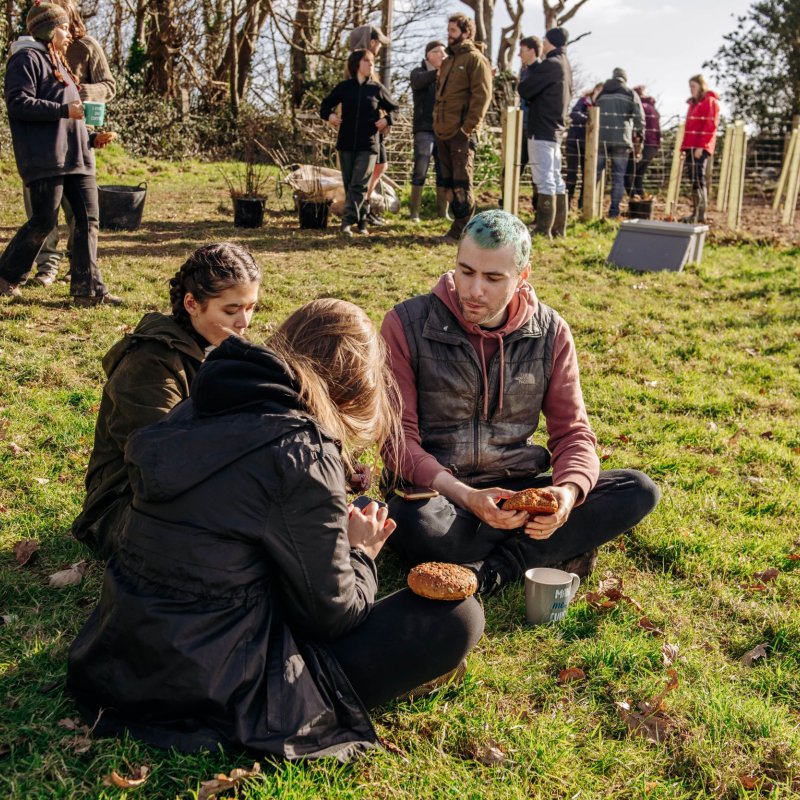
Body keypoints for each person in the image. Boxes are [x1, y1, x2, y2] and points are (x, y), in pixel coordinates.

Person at [67, 299, 485, 760]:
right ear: (352, 386)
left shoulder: (195, 407)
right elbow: (331, 615)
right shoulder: (301, 450)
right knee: (457, 617)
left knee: (361, 514)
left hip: (121, 660)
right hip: (213, 688)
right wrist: (361, 554)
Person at [380, 209, 660, 595]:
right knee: (411, 523)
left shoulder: (551, 332)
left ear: (522, 276)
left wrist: (567, 494)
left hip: (518, 491)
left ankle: (492, 568)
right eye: (465, 271)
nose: (474, 289)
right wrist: (467, 496)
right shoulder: (405, 324)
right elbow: (398, 442)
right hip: (440, 495)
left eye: (493, 278)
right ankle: (540, 551)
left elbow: (574, 434)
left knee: (637, 490)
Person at [70, 243, 261, 559]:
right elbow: (161, 458)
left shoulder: (230, 348)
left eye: (251, 307)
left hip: (195, 490)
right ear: (192, 303)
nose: (244, 322)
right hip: (124, 508)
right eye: (231, 310)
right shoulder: (149, 363)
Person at [0, 2, 119, 303]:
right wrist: (65, 109)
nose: (70, 33)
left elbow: (71, 117)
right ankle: (5, 277)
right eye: (64, 27)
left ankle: (89, 290)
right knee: (43, 221)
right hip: (46, 157)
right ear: (48, 29)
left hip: (77, 156)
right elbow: (18, 102)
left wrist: (92, 137)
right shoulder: (25, 58)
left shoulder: (59, 61)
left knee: (88, 220)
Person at [321, 49, 399, 237]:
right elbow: (325, 105)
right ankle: (362, 221)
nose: (371, 64)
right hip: (346, 143)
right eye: (367, 60)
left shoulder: (377, 89)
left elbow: (395, 109)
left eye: (372, 61)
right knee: (350, 185)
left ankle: (347, 223)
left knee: (359, 184)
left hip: (369, 145)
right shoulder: (344, 87)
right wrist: (330, 115)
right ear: (357, 64)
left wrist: (387, 120)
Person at [433, 13, 493, 245]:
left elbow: (482, 97)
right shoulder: (449, 61)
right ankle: (459, 228)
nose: (449, 35)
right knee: (447, 184)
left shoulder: (475, 60)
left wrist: (467, 129)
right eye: (448, 30)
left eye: (454, 31)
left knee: (462, 184)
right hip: (442, 131)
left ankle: (462, 233)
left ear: (466, 32)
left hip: (460, 134)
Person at [518, 27, 573, 238]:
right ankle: (559, 228)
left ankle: (543, 229)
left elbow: (525, 89)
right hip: (556, 127)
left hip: (541, 127)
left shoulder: (550, 64)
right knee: (556, 177)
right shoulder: (565, 65)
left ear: (548, 41)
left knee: (544, 178)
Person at [347, 25, 391, 226]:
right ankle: (361, 209)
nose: (380, 46)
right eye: (379, 42)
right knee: (368, 170)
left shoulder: (367, 64)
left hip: (374, 127)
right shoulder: (357, 65)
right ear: (372, 42)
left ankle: (364, 205)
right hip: (365, 130)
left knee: (380, 165)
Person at [595, 67, 645, 219]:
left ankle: (587, 207)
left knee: (595, 175)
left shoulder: (602, 93)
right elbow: (639, 117)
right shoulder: (630, 93)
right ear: (625, 78)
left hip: (601, 138)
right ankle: (614, 212)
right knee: (618, 177)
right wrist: (639, 136)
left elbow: (593, 110)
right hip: (621, 140)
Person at [409, 40, 448, 222]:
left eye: (444, 52)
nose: (442, 55)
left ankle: (442, 212)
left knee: (443, 169)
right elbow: (418, 83)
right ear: (428, 55)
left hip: (443, 129)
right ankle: (414, 212)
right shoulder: (418, 72)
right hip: (424, 128)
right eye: (438, 52)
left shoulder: (448, 76)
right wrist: (437, 74)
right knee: (420, 167)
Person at [680, 74, 720, 223]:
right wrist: (684, 149)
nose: (691, 89)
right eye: (690, 86)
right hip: (690, 146)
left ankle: (700, 213)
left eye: (693, 86)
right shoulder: (692, 104)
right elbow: (689, 128)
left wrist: (701, 147)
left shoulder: (709, 102)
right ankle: (696, 212)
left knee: (698, 178)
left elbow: (710, 126)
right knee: (693, 178)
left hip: (699, 147)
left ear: (701, 86)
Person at [565, 83, 603, 210]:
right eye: (599, 91)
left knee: (587, 175)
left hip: (589, 146)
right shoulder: (583, 101)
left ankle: (582, 205)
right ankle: (567, 203)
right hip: (574, 142)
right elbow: (574, 114)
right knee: (572, 174)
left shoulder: (601, 105)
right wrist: (590, 118)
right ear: (595, 90)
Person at [516, 36, 541, 214]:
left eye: (522, 50)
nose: (518, 54)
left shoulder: (542, 70)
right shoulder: (523, 71)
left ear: (532, 51)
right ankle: (507, 204)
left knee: (537, 171)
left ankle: (538, 208)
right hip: (521, 127)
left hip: (535, 128)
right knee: (515, 165)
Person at [625, 86, 661, 199]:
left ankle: (635, 201)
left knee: (627, 175)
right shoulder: (652, 107)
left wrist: (636, 146)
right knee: (638, 177)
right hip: (653, 146)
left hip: (643, 145)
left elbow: (637, 127)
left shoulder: (640, 107)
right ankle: (643, 204)